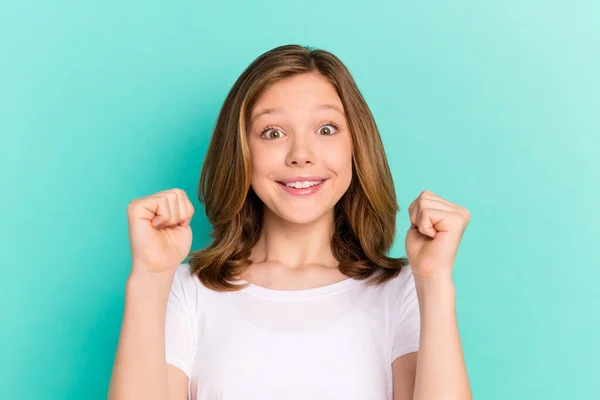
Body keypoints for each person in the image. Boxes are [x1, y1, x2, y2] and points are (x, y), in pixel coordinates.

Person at [108, 44, 473, 400]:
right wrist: (150, 278)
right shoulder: (186, 292)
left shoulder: (402, 291)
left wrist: (435, 282)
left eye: (326, 129)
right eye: (273, 132)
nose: (301, 155)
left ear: (356, 146)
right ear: (242, 152)